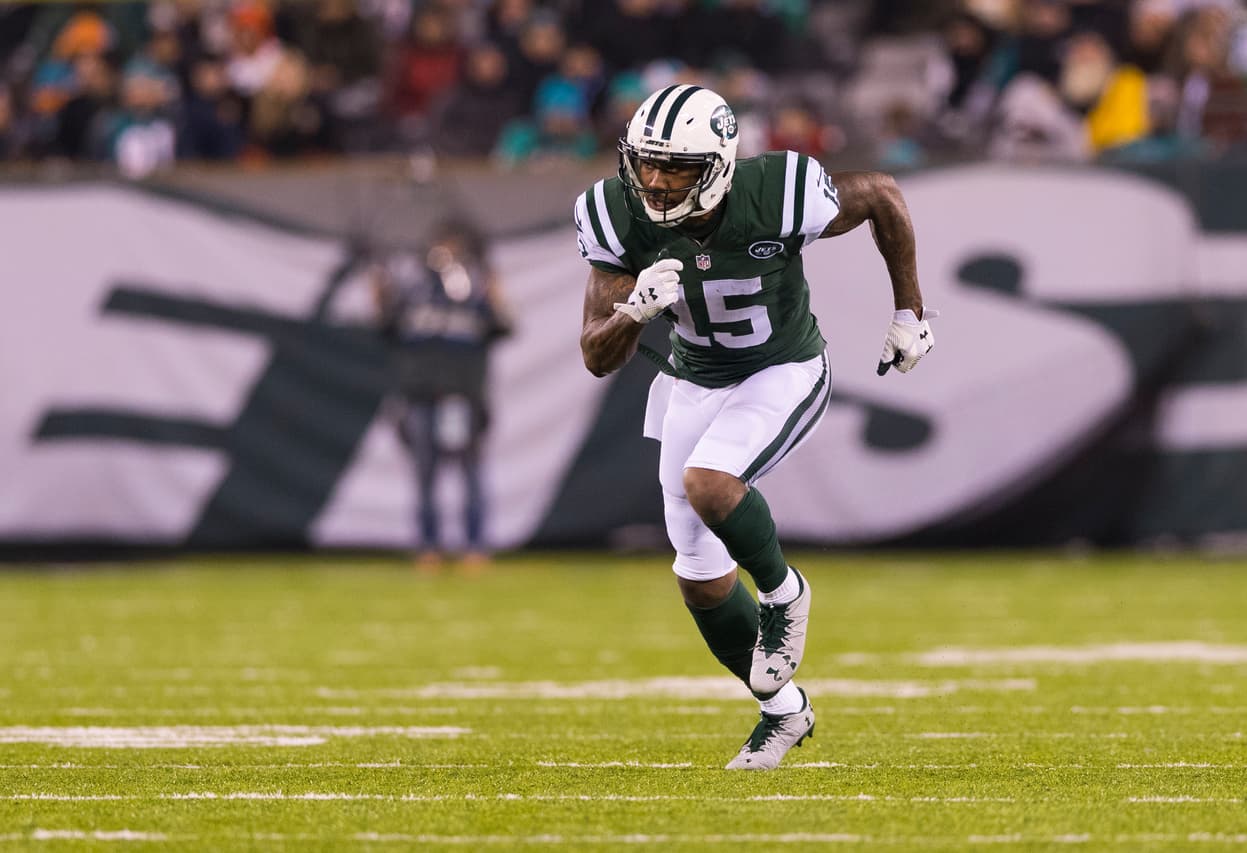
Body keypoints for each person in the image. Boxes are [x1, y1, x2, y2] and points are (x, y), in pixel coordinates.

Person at [574, 84, 936, 770]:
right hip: (693, 380)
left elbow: (882, 195)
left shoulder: (781, 190)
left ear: (718, 165)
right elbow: (596, 355)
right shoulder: (617, 214)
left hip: (783, 369)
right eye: (647, 162)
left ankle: (783, 592)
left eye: (675, 166)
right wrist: (633, 312)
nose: (654, 180)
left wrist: (910, 312)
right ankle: (783, 711)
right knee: (699, 574)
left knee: (709, 482)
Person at [371, 220, 514, 573]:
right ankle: (429, 546)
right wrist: (380, 296)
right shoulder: (413, 292)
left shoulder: (474, 291)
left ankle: (475, 546)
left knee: (471, 473)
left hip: (463, 397)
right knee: (425, 476)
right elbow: (385, 328)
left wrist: (495, 292)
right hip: (422, 396)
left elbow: (504, 326)